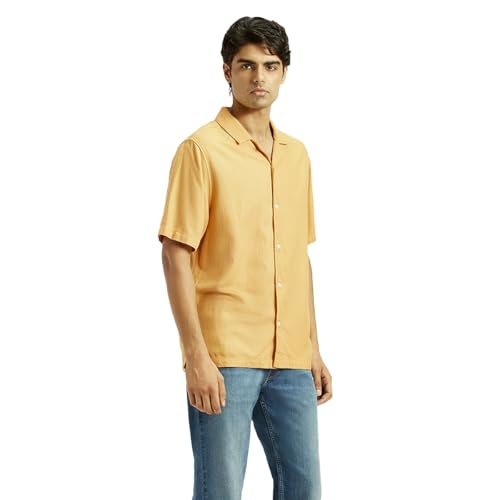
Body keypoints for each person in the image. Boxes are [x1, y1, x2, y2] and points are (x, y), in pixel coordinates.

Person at [157, 15, 332, 500]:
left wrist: (312, 347)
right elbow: (175, 254)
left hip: (291, 359)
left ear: (284, 73)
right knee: (220, 492)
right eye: (247, 65)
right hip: (225, 357)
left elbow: (298, 259)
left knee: (304, 491)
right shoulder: (200, 150)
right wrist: (196, 355)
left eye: (270, 66)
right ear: (227, 72)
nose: (259, 77)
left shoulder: (297, 155)